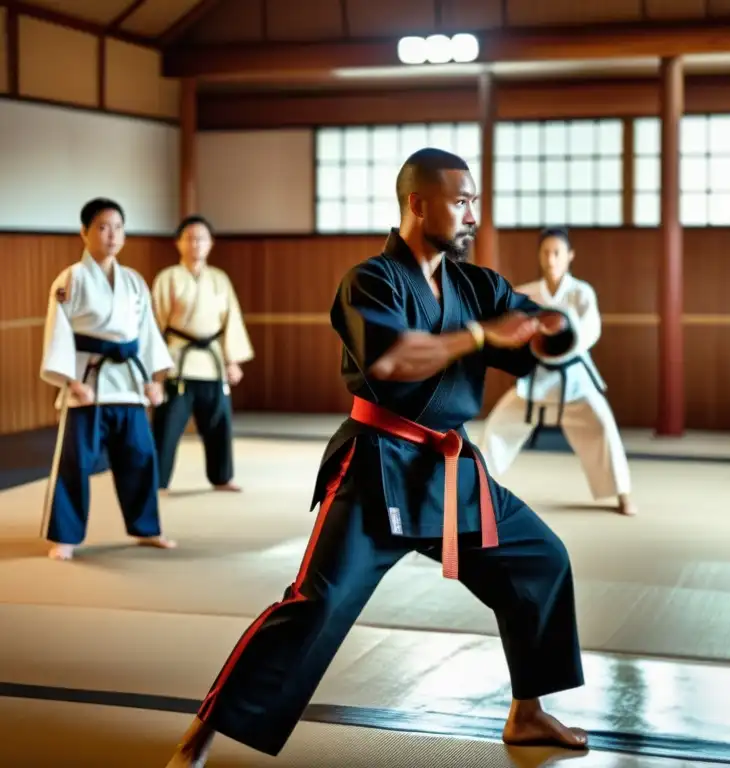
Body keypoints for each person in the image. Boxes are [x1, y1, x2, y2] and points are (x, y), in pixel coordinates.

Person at [166, 149, 588, 766]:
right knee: (316, 604)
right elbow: (390, 361)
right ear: (418, 204)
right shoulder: (370, 281)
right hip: (377, 467)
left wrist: (551, 326)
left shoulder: (477, 284)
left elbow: (531, 331)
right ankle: (199, 735)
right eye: (460, 200)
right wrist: (477, 336)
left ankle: (526, 712)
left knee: (541, 561)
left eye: (475, 200)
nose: (473, 213)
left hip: (450, 469)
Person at [39, 197, 177, 561]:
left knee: (141, 457)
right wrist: (70, 382)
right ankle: (65, 536)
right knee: (75, 463)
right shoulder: (71, 278)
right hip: (88, 385)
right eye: (102, 226)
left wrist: (154, 380)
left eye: (118, 227)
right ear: (84, 232)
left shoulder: (133, 282)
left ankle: (146, 528)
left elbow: (147, 334)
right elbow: (58, 332)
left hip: (129, 386)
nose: (112, 234)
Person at [480, 228, 636, 516]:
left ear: (569, 256)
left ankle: (623, 493)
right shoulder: (526, 293)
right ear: (539, 256)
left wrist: (562, 335)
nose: (551, 259)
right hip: (536, 377)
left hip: (573, 377)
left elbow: (590, 331)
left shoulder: (581, 292)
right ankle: (475, 488)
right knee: (498, 426)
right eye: (545, 252)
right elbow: (511, 326)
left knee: (602, 424)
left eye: (557, 253)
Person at [151, 215, 254, 493]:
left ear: (210, 244)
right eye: (190, 238)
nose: (196, 243)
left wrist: (232, 361)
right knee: (167, 426)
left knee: (219, 425)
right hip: (177, 363)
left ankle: (222, 477)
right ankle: (157, 480)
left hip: (213, 363)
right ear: (178, 243)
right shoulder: (167, 278)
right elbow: (154, 326)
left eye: (202, 238)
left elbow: (231, 321)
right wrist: (156, 372)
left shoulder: (220, 279)